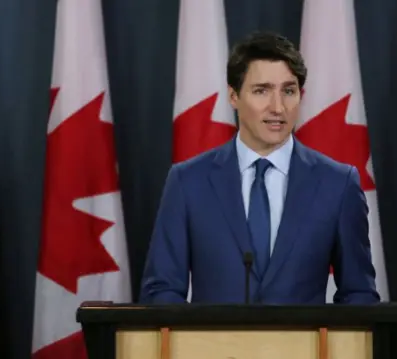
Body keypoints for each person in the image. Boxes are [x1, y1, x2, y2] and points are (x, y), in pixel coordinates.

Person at [139, 31, 379, 305]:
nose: (277, 107)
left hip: (305, 348)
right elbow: (161, 290)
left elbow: (359, 294)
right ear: (233, 96)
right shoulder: (187, 182)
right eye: (261, 90)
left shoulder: (338, 184)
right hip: (214, 348)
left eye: (288, 91)